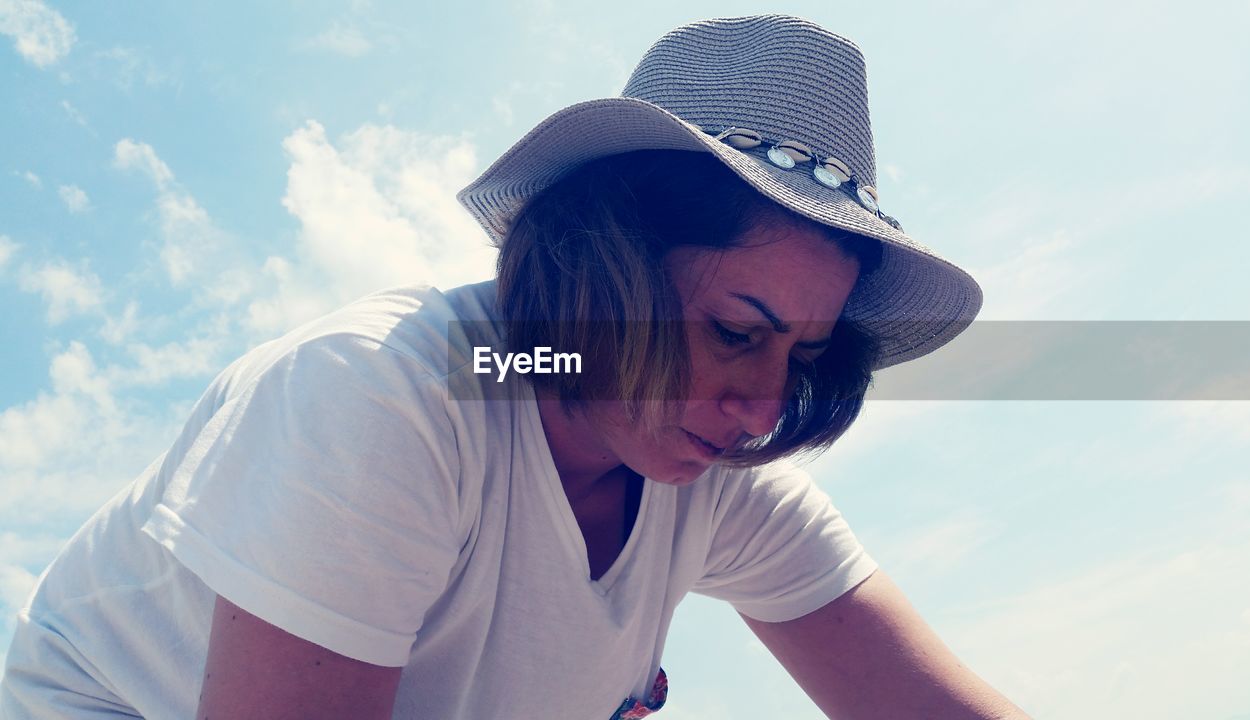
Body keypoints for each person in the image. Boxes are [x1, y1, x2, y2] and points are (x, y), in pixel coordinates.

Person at [0, 14, 1029, 720]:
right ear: (607, 266)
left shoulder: (717, 484)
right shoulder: (381, 395)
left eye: (799, 355)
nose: (761, 408)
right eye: (733, 329)